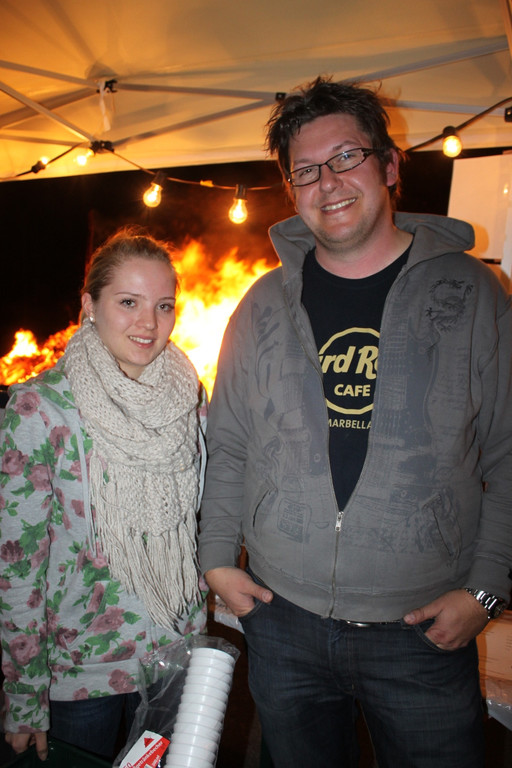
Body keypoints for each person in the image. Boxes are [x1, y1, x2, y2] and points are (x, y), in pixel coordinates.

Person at [198, 76, 512, 767]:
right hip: (283, 621)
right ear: (291, 189)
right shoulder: (260, 305)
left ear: (390, 165)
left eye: (346, 157)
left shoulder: (473, 295)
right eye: (306, 170)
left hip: (422, 630)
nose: (328, 183)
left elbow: (508, 454)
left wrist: (487, 591)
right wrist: (216, 557)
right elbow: (230, 443)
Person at [0, 230, 207, 761]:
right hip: (80, 672)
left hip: (175, 654)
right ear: (90, 306)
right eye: (129, 302)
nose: (149, 323)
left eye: (164, 305)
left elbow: (199, 521)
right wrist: (24, 693)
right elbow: (17, 564)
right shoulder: (39, 409)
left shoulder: (188, 397)